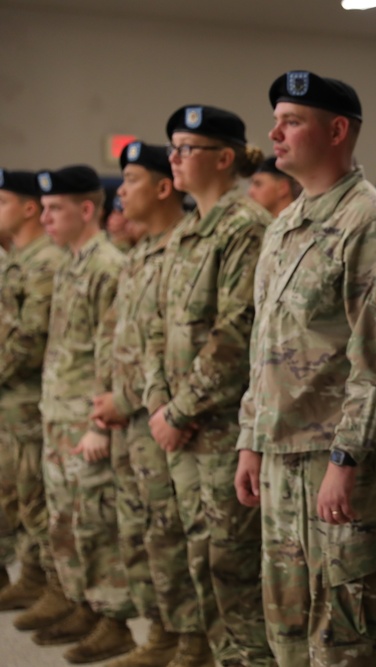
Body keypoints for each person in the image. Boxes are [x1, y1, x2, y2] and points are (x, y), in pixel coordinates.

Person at [234, 70, 376, 666]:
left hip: (344, 464)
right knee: (289, 630)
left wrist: (347, 460)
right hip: (281, 457)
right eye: (277, 120)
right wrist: (249, 441)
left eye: (291, 121)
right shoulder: (286, 226)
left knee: (352, 633)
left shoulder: (374, 225)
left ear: (337, 130)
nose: (274, 133)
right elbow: (264, 346)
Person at [145, 105, 273, 667]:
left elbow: (236, 332)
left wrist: (179, 409)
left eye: (185, 148)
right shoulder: (186, 232)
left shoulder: (245, 227)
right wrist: (160, 403)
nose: (172, 158)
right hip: (182, 426)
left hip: (221, 429)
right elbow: (157, 325)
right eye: (171, 147)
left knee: (234, 566)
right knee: (200, 557)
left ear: (224, 158)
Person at [89, 141, 205, 667]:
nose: (120, 193)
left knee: (172, 535)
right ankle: (160, 631)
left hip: (159, 418)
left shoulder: (183, 250)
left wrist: (128, 398)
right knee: (141, 533)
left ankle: (191, 639)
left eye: (131, 180)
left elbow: (173, 349)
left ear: (164, 187)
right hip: (128, 422)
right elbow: (124, 343)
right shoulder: (138, 257)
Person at [35, 165, 137, 662]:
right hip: (59, 413)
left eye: (55, 208)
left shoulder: (106, 266)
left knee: (97, 521)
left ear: (87, 209)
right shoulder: (70, 262)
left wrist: (99, 422)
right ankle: (82, 602)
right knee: (66, 520)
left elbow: (112, 352)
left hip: (88, 419)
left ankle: (113, 619)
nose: (45, 217)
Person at [0, 169, 65, 617]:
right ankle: (33, 576)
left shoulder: (45, 261)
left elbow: (28, 338)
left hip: (26, 398)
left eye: (2, 201)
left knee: (35, 497)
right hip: (11, 400)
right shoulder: (16, 259)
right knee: (16, 495)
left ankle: (53, 585)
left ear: (28, 207)